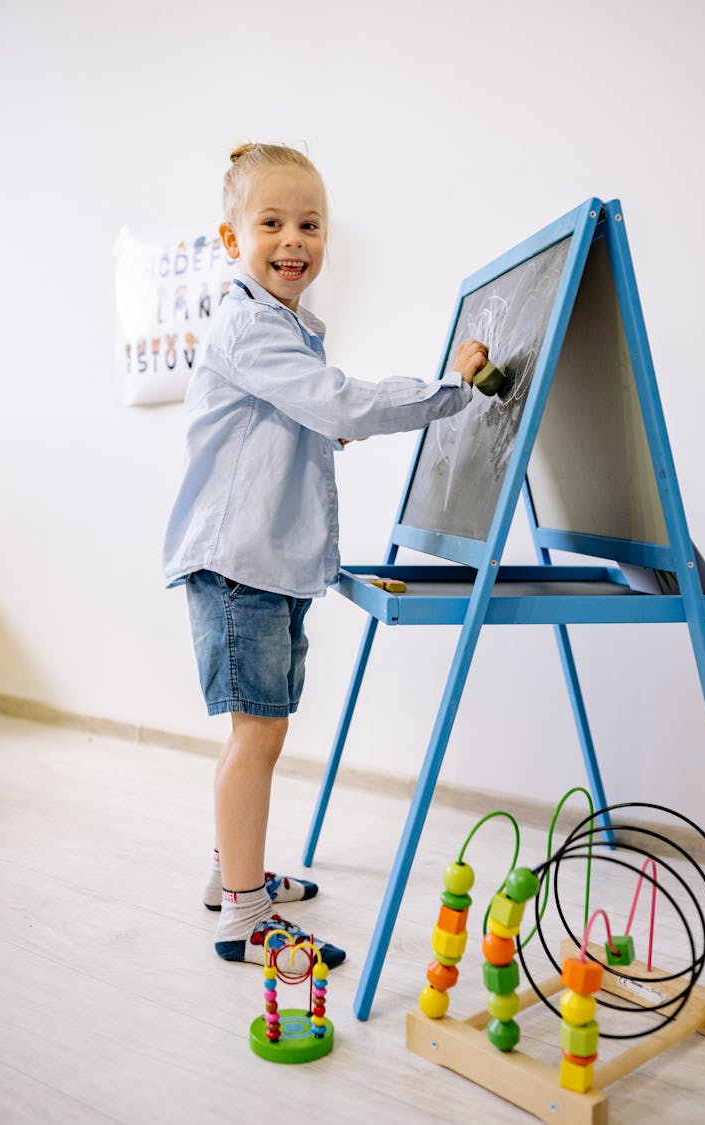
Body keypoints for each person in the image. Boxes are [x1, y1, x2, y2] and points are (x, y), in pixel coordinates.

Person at [163, 142, 488, 969]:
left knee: (259, 730)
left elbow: (319, 423)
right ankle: (243, 912)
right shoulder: (249, 326)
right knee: (256, 736)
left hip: (268, 565)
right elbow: (335, 400)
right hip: (240, 566)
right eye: (271, 222)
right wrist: (444, 390)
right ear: (232, 241)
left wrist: (359, 418)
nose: (294, 238)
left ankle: (230, 873)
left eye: (309, 223)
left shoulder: (286, 331)